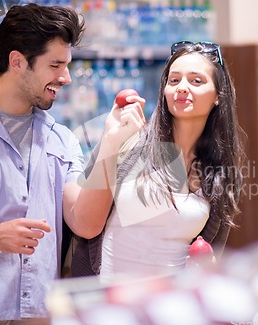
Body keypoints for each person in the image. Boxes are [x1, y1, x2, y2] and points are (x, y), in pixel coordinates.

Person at [0, 4, 145, 325]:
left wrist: (111, 141)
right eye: (55, 65)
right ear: (17, 61)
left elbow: (85, 222)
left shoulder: (61, 139)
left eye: (66, 66)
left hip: (40, 322)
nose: (65, 78)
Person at [67, 41, 246, 282]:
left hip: (168, 308)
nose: (182, 88)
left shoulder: (222, 174)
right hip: (106, 303)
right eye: (174, 80)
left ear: (217, 96)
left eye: (196, 81)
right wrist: (111, 141)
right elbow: (84, 223)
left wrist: (206, 270)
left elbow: (211, 256)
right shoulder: (127, 141)